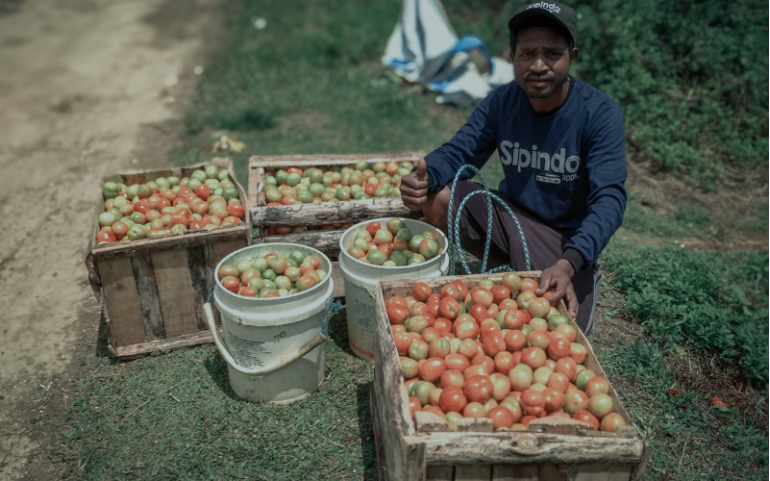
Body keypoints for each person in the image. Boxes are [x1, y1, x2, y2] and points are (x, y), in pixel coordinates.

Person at [399, 1, 627, 334]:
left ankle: (572, 272)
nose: (538, 65)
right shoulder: (501, 102)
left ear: (571, 57)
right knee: (437, 197)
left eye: (552, 53)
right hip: (512, 216)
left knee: (554, 329)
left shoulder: (599, 114)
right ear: (512, 57)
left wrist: (569, 262)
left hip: (564, 241)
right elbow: (460, 151)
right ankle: (508, 268)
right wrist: (425, 175)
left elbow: (610, 200)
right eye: (527, 54)